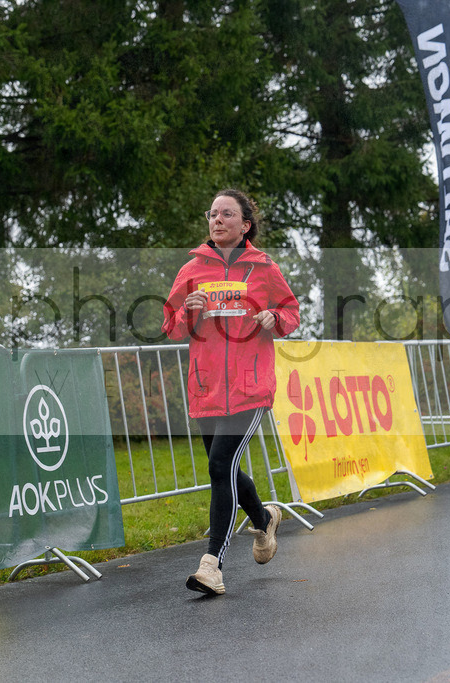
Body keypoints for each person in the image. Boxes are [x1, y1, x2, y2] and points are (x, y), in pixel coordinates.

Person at [162, 188, 300, 596]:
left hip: (249, 387)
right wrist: (189, 311)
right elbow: (171, 326)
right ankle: (264, 519)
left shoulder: (263, 269)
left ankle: (212, 566)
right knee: (226, 470)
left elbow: (291, 311)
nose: (217, 220)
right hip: (207, 387)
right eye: (213, 214)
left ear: (245, 225)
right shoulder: (191, 270)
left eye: (227, 214)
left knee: (220, 467)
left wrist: (274, 316)